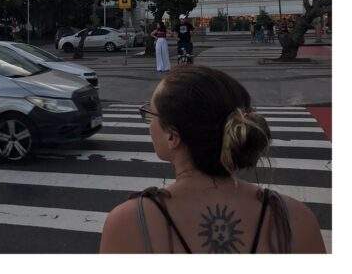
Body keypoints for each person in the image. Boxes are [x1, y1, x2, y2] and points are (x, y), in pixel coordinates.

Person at [100, 67, 325, 253]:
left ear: (172, 136)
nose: (148, 122)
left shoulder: (130, 223)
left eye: (150, 113)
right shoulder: (294, 218)